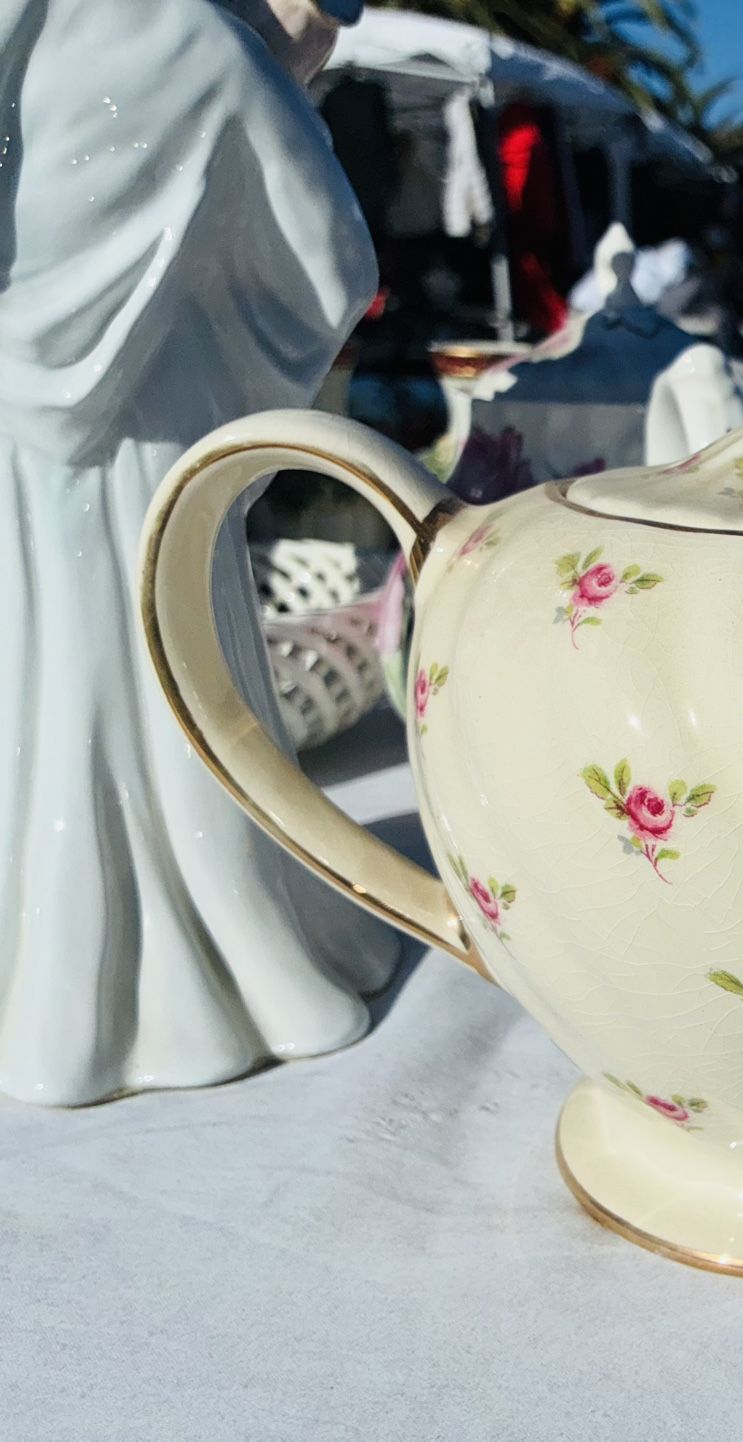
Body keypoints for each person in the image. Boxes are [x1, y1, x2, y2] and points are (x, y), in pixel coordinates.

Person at [0, 0, 398, 1105]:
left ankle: (37, 961)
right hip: (151, 427)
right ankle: (210, 964)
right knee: (168, 671)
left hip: (16, 432)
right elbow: (332, 260)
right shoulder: (202, 40)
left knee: (33, 678)